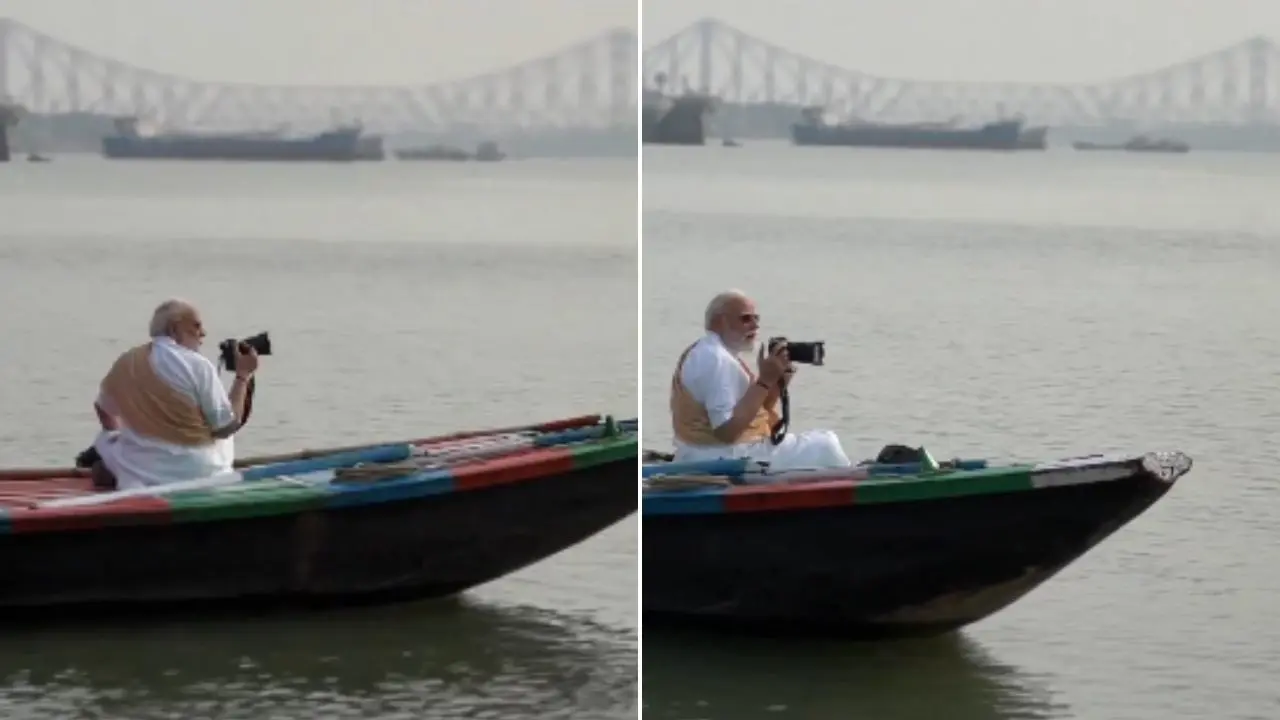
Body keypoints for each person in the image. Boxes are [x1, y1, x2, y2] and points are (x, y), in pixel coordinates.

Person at [669, 289, 852, 472]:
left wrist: (776, 383)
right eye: (745, 319)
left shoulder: (714, 352)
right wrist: (764, 380)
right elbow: (726, 431)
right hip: (721, 455)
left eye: (756, 319)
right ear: (721, 321)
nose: (755, 326)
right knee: (826, 443)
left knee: (821, 441)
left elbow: (751, 413)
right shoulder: (716, 358)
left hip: (713, 451)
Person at [89, 298, 259, 491]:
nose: (203, 333)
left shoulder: (126, 361)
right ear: (174, 329)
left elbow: (103, 408)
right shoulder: (198, 365)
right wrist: (243, 376)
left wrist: (121, 438)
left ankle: (120, 466)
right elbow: (226, 426)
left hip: (140, 469)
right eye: (196, 326)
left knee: (107, 440)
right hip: (199, 471)